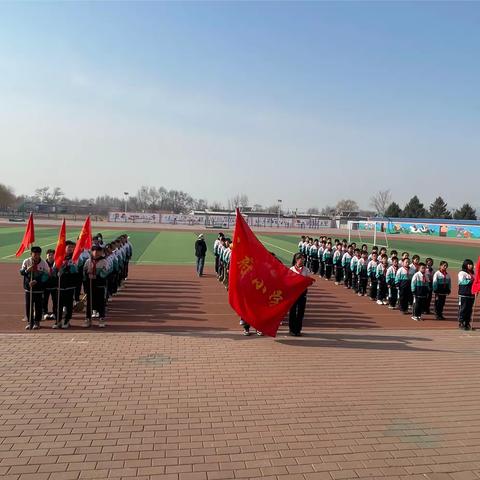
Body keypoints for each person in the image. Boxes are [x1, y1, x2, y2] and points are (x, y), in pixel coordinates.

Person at [20, 246, 50, 330]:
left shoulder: (43, 263)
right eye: (34, 254)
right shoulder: (26, 261)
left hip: (39, 289)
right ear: (31, 254)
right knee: (28, 306)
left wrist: (37, 281)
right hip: (28, 289)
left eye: (38, 254)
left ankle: (37, 322)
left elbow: (47, 275)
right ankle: (30, 322)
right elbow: (21, 272)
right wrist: (27, 270)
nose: (36, 256)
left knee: (38, 306)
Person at [83, 245, 110, 328]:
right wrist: (88, 274)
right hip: (90, 285)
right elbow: (84, 273)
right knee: (89, 302)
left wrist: (97, 276)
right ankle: (88, 318)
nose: (96, 253)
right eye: (94, 251)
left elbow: (106, 273)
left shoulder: (104, 261)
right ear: (91, 252)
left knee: (100, 302)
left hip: (100, 285)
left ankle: (101, 318)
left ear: (101, 252)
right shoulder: (88, 261)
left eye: (98, 251)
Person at [55, 241, 78, 329]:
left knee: (68, 305)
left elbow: (75, 271)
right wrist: (57, 272)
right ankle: (58, 321)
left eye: (72, 247)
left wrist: (65, 269)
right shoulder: (59, 257)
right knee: (58, 305)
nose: (70, 248)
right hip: (60, 285)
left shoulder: (74, 258)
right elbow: (54, 269)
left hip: (70, 285)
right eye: (69, 247)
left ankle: (67, 320)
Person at [289, 253, 312, 336]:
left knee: (300, 312)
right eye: (300, 259)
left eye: (303, 259)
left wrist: (307, 281)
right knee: (292, 311)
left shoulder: (306, 270)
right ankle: (292, 329)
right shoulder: (291, 269)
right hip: (293, 293)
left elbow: (309, 281)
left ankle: (298, 330)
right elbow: (288, 281)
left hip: (302, 293)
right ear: (296, 260)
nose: (302, 260)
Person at [458, 259, 475, 330]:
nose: (471, 266)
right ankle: (461, 323)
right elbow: (462, 282)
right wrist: (472, 280)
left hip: (471, 294)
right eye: (469, 264)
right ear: (465, 265)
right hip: (464, 294)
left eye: (471, 264)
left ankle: (467, 323)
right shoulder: (462, 273)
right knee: (463, 309)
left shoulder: (473, 273)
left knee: (469, 310)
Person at [42, 249, 58, 321]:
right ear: (46, 255)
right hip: (45, 286)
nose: (51, 256)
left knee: (55, 300)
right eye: (49, 255)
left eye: (52, 255)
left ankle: (55, 313)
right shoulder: (43, 263)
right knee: (44, 300)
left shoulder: (57, 263)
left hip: (55, 285)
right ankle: (45, 312)